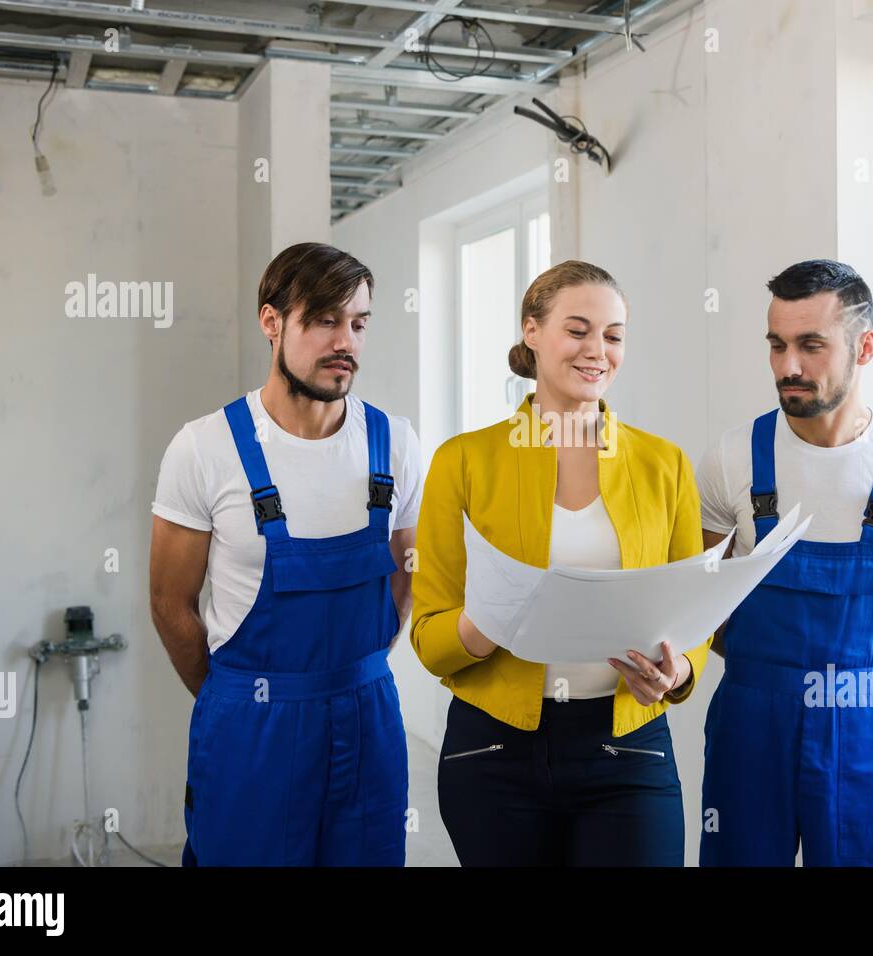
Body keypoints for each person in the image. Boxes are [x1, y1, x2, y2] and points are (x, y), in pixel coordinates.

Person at [411, 259, 711, 866]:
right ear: (532, 332)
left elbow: (692, 614)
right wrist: (489, 619)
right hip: (493, 751)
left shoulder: (666, 465)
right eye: (577, 330)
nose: (597, 349)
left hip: (628, 747)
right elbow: (429, 636)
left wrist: (675, 674)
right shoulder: (463, 461)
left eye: (613, 335)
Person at [697, 259, 873, 866]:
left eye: (811, 346)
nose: (788, 367)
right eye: (777, 345)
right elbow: (691, 597)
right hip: (752, 724)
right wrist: (754, 664)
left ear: (866, 346)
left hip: (866, 733)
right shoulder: (733, 458)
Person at [149, 242, 423, 866]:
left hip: (368, 715)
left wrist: (356, 674)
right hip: (253, 724)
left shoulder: (396, 444)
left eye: (358, 323)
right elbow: (169, 602)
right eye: (324, 320)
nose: (345, 341)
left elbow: (409, 571)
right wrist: (237, 697)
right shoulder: (204, 448)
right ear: (271, 322)